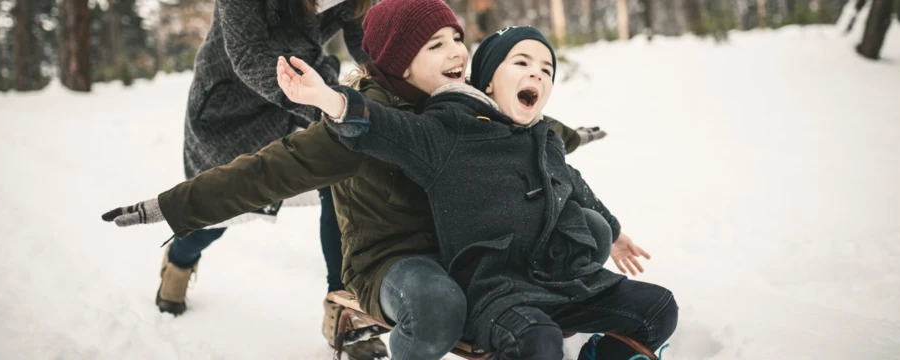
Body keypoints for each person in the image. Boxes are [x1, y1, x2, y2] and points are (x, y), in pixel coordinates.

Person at [102, 0, 610, 358]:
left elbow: (382, 39)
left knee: (334, 190)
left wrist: (570, 135)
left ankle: (337, 305)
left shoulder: (446, 100)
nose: (456, 51)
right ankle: (182, 256)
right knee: (241, 208)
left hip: (330, 97)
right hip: (242, 104)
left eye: (456, 40)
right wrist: (326, 103)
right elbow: (257, 136)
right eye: (441, 43)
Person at [275, 25, 677, 360]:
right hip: (499, 291)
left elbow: (575, 187)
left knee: (659, 309)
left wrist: (615, 230)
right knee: (537, 341)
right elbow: (381, 127)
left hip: (561, 281)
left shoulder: (544, 140)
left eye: (547, 70)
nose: (537, 74)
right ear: (486, 80)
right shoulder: (449, 134)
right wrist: (328, 98)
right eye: (521, 63)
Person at [146, 0, 385, 357]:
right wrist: (323, 101)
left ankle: (345, 308)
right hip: (232, 107)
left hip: (306, 84)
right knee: (220, 211)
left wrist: (394, 86)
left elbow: (367, 44)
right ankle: (180, 259)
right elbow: (248, 54)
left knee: (339, 176)